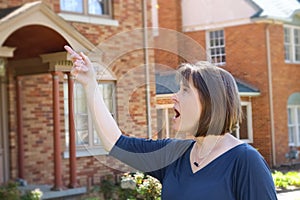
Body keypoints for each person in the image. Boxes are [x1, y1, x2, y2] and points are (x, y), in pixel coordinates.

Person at [64, 45, 278, 199]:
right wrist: (90, 85)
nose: (173, 96)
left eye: (185, 90)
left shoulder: (246, 162)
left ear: (211, 101)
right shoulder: (174, 154)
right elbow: (116, 143)